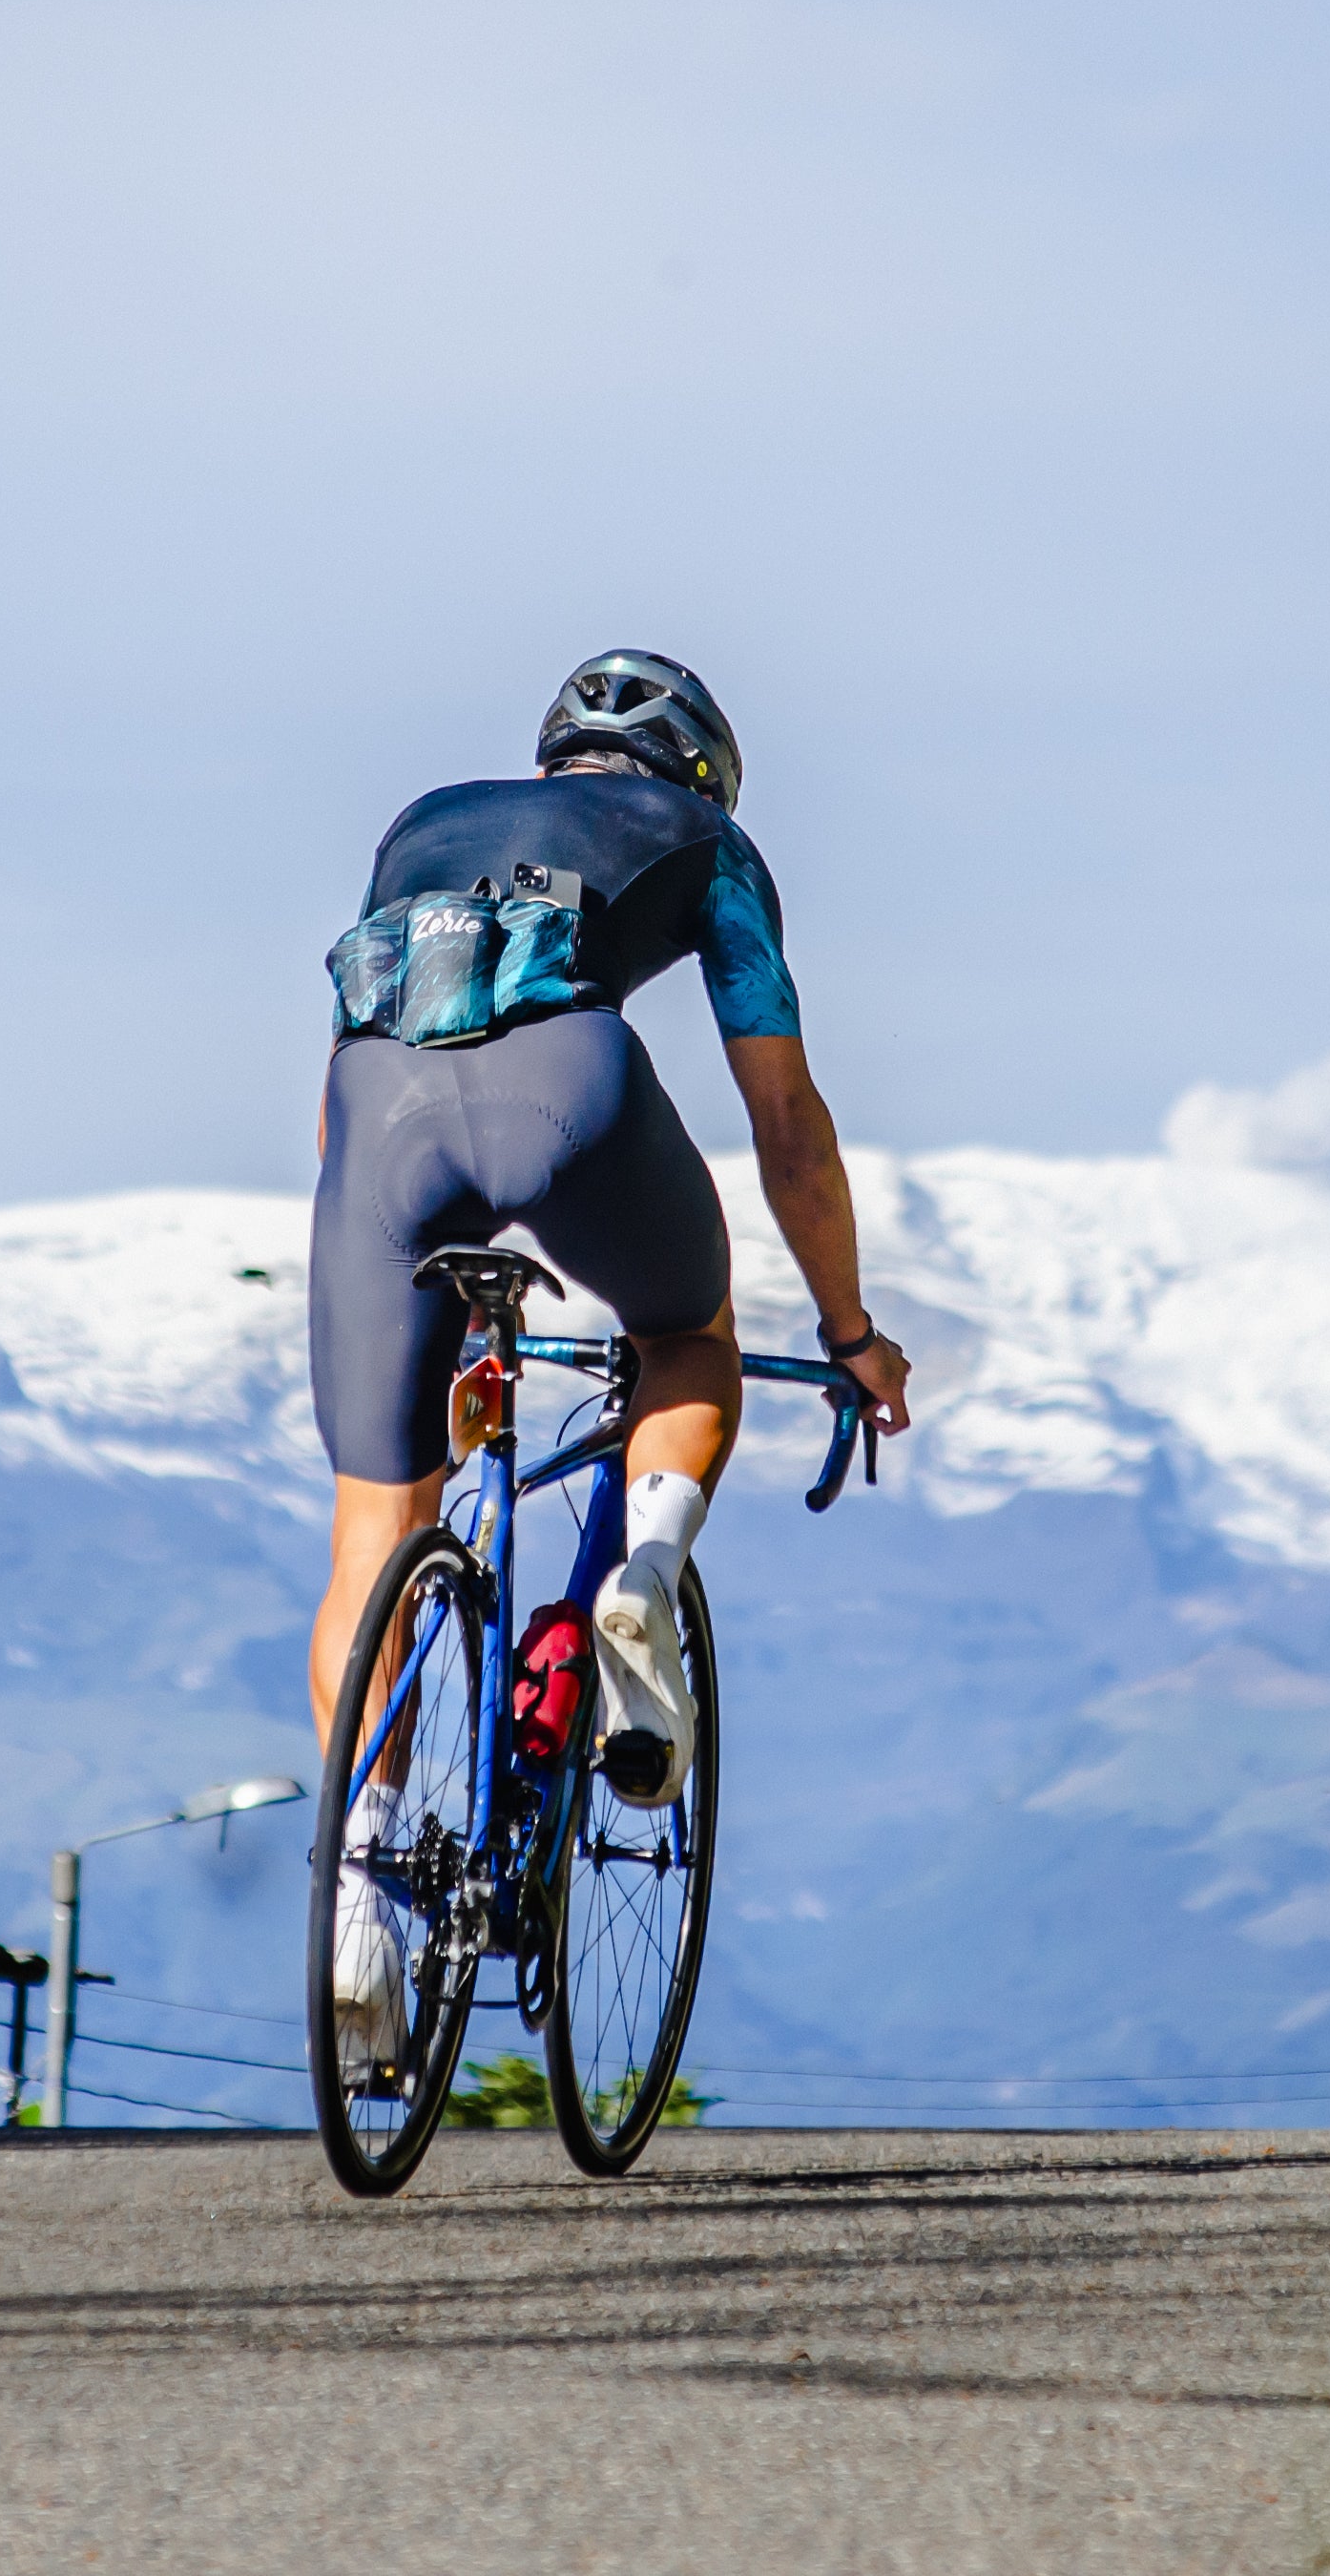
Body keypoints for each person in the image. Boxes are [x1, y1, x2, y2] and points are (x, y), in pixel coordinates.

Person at [302, 649, 914, 2067]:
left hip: (373, 1132)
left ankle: (359, 1884)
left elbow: (353, 1067)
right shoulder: (712, 845)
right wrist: (848, 1330)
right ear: (699, 769)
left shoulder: (420, 823)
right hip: (569, 1095)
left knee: (370, 1537)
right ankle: (640, 1575)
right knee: (684, 1336)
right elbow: (786, 1118)